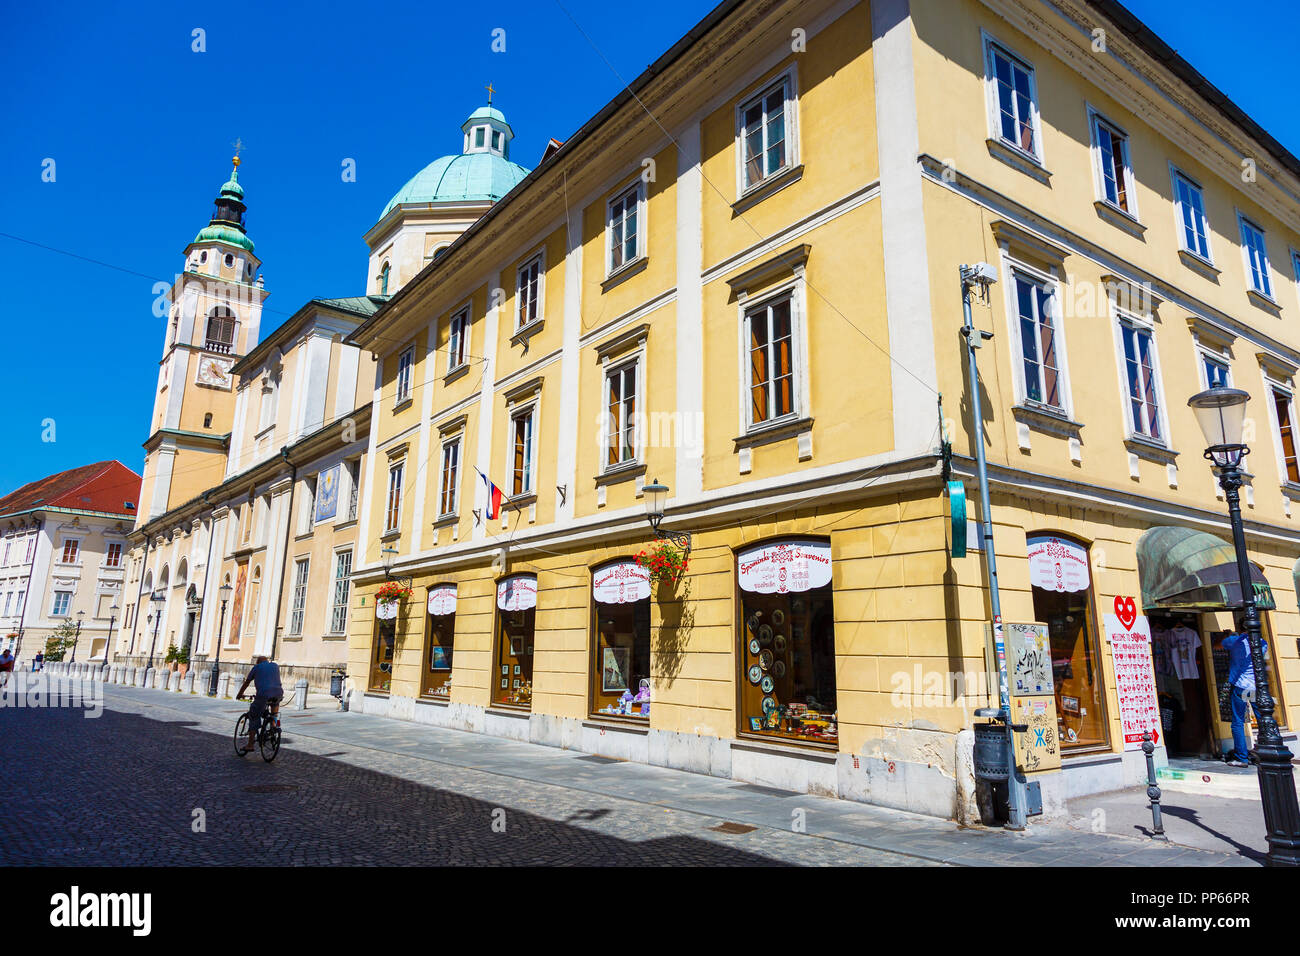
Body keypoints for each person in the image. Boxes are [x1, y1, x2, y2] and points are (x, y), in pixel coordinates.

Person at [1223, 631, 1266, 767]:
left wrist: (1229, 635)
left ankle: (1242, 758)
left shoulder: (1234, 641)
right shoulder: (1261, 641)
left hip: (1240, 686)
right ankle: (1267, 752)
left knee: (1238, 721)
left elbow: (1218, 645)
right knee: (1262, 719)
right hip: (1255, 686)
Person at [235, 655, 283, 755]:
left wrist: (239, 694)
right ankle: (275, 728)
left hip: (264, 694)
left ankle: (250, 744)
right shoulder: (275, 665)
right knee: (274, 714)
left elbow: (247, 682)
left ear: (258, 662)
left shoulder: (256, 668)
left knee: (254, 715)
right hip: (278, 693)